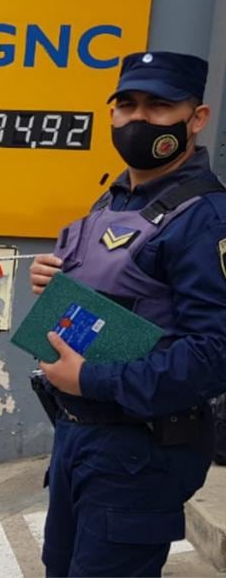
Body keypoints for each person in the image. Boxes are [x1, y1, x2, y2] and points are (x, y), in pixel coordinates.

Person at [29, 51, 226, 577]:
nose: (138, 118)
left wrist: (90, 378)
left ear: (196, 118)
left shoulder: (206, 219)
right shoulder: (116, 197)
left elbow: (214, 355)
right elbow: (122, 297)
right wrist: (54, 284)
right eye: (127, 104)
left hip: (140, 451)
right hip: (80, 438)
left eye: (159, 106)